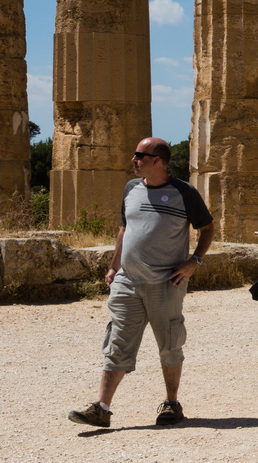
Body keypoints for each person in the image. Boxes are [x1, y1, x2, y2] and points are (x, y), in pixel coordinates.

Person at [67, 136, 215, 429]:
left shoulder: (184, 192)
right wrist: (114, 266)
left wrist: (194, 261)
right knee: (117, 343)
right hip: (127, 281)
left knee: (170, 345)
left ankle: (172, 403)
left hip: (166, 282)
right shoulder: (131, 188)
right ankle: (101, 407)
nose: (132, 160)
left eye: (139, 156)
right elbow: (125, 229)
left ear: (157, 161)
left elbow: (207, 227)